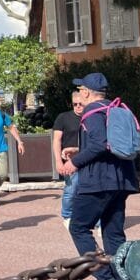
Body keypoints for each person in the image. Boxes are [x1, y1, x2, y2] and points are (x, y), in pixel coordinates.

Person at [59, 73, 140, 280]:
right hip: (121, 179)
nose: (79, 94)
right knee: (113, 232)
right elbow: (108, 143)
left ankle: (104, 278)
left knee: (78, 227)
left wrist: (73, 163)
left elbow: (99, 144)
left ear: (85, 92)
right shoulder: (115, 109)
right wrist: (80, 150)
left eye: (80, 90)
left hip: (98, 181)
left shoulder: (91, 112)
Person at [53, 90, 85, 229]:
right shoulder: (63, 117)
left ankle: (96, 220)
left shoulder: (90, 118)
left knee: (90, 191)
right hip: (70, 161)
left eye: (80, 104)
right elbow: (56, 140)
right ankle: (67, 215)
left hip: (88, 159)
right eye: (75, 104)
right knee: (71, 189)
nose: (78, 106)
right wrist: (58, 161)